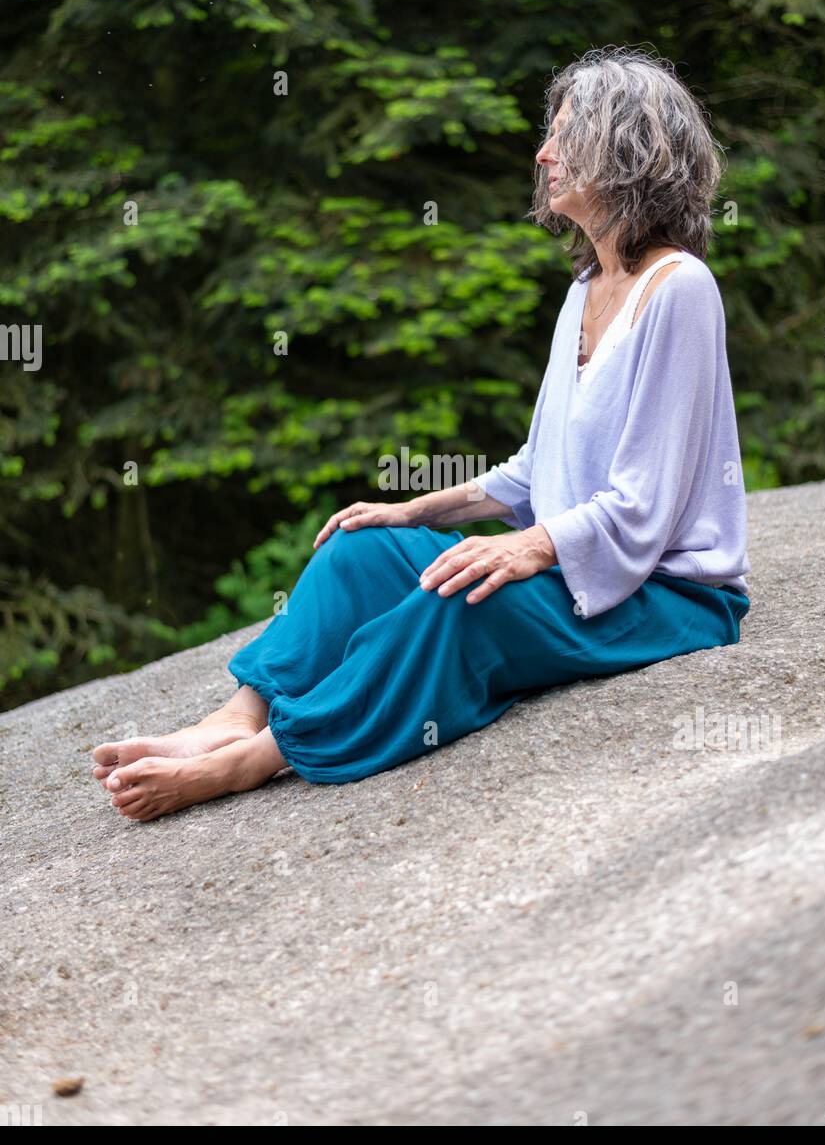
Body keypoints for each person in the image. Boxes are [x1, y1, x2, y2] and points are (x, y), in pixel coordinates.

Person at [92, 47, 750, 821]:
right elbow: (539, 467)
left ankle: (263, 755)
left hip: (663, 595)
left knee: (456, 598)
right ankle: (240, 713)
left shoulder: (681, 290)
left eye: (565, 135)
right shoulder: (585, 290)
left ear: (626, 147)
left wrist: (526, 547)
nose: (542, 153)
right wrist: (412, 513)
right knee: (359, 552)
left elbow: (643, 504)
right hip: (580, 568)